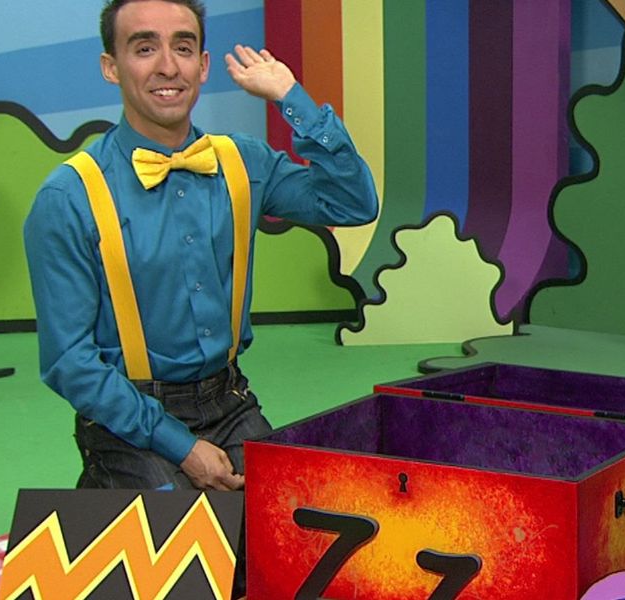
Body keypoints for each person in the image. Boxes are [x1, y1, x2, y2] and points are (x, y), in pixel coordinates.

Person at [23, 0, 378, 493]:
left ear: (203, 65)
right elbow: (69, 363)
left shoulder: (243, 163)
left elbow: (353, 203)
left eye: (183, 47)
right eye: (144, 48)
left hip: (229, 401)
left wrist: (290, 96)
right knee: (177, 531)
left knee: (290, 520)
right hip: (127, 417)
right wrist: (182, 448)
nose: (168, 66)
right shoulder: (69, 196)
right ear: (111, 67)